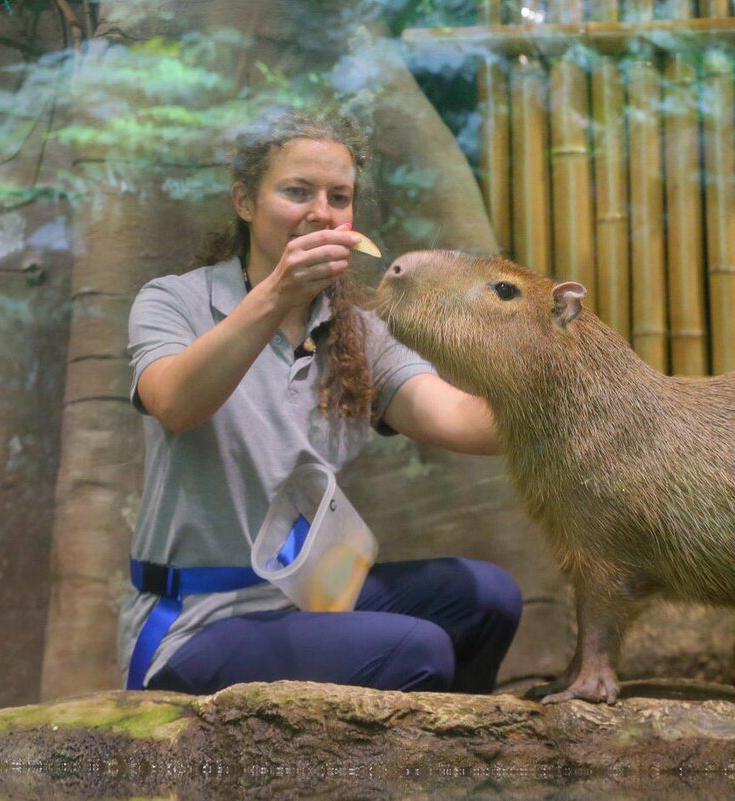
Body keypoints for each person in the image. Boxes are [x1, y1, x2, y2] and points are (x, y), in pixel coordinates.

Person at [118, 109, 522, 696]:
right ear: (244, 202)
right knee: (419, 651)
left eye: (339, 197)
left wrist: (570, 399)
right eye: (297, 192)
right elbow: (175, 402)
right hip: (199, 619)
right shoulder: (172, 301)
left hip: (310, 597)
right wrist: (278, 292)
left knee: (488, 598)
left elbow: (456, 416)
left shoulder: (357, 332)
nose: (321, 213)